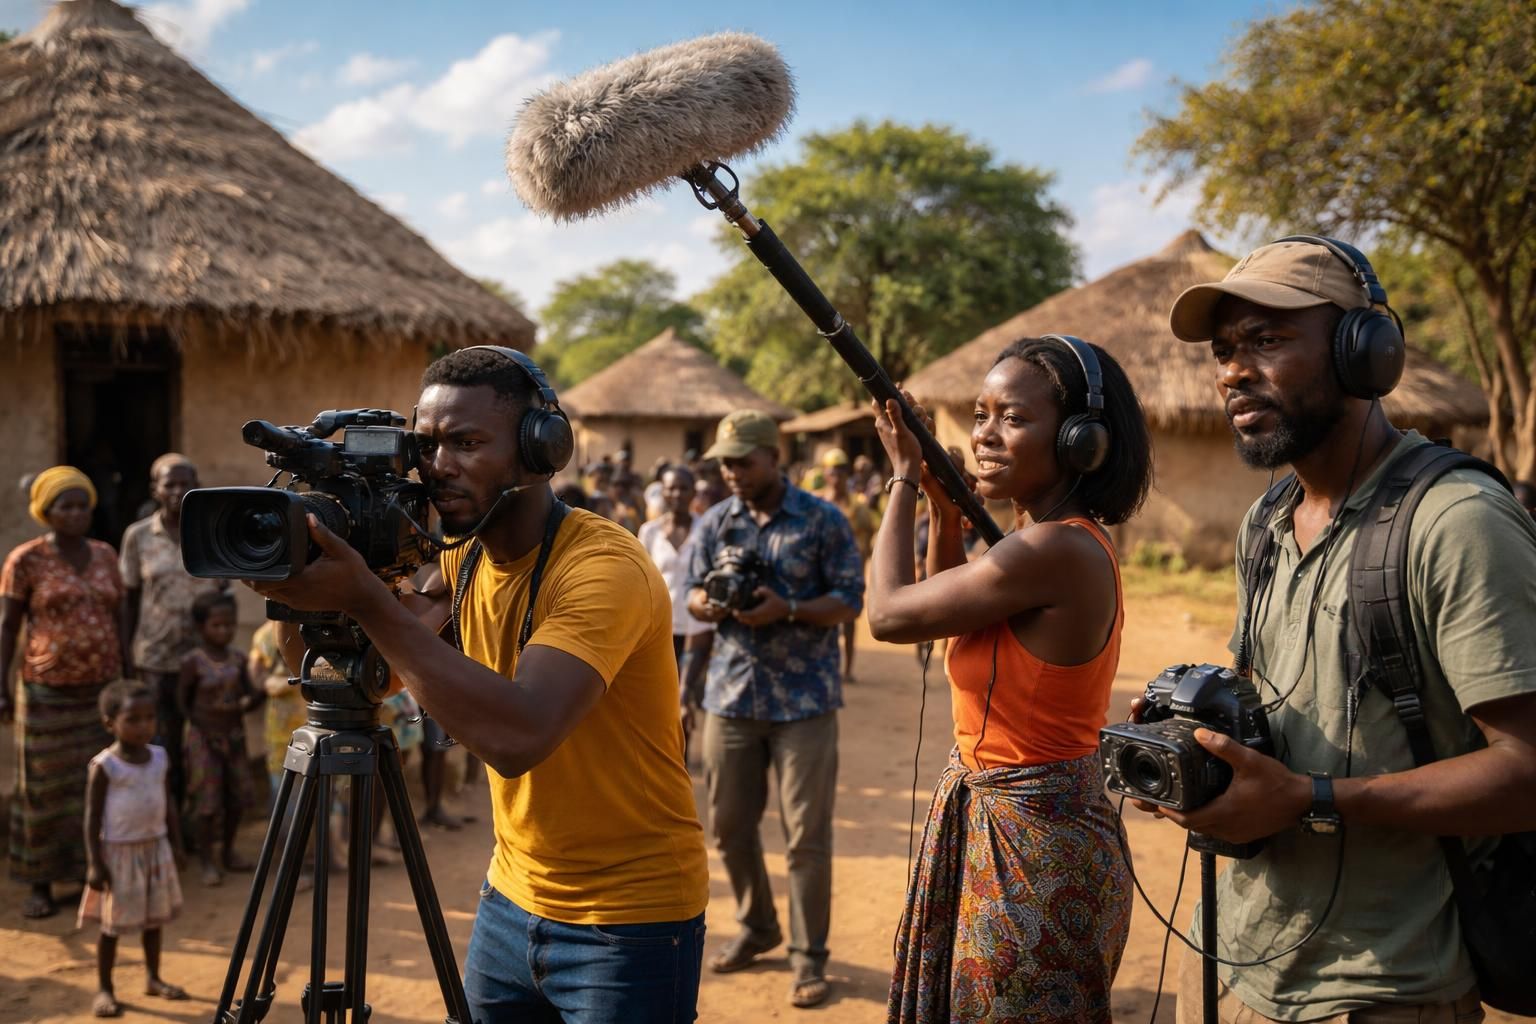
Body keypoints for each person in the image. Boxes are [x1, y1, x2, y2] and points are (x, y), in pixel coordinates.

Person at [250, 346, 709, 1023]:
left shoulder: (604, 569)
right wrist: (303, 587)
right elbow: (358, 679)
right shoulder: (459, 559)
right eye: (428, 444)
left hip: (630, 917)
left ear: (539, 448)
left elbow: (520, 734)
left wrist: (369, 603)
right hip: (509, 900)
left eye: (467, 443)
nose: (439, 466)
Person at [1145, 237, 1536, 1023]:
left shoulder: (1456, 524)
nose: (1231, 372)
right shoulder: (1267, 518)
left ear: (1366, 351)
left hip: (1380, 989)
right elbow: (1269, 704)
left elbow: (1528, 772)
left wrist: (1312, 799)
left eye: (1267, 340)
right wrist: (1197, 740)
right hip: (1230, 961)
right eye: (1224, 351)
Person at [867, 337, 1153, 1023]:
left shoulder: (1054, 550)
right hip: (1017, 830)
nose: (984, 436)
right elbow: (942, 616)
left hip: (1034, 849)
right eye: (979, 414)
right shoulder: (1039, 549)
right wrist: (943, 507)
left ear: (1081, 441)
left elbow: (887, 614)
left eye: (1013, 418)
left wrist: (904, 476)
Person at [686, 410, 864, 1010]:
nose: (732, 472)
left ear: (773, 458)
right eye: (725, 463)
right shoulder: (714, 521)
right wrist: (709, 606)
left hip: (804, 703)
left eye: (743, 461)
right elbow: (691, 589)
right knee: (730, 827)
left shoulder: (822, 520)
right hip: (731, 697)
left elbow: (848, 600)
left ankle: (809, 958)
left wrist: (786, 608)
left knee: (805, 838)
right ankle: (757, 925)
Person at [1, 466, 130, 919]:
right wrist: (1, 687)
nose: (76, 514)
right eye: (66, 506)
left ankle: (86, 874)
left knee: (92, 785)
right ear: (46, 511)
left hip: (100, 691)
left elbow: (121, 618)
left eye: (82, 505)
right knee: (43, 790)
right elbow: (8, 626)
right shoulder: (25, 560)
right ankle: (39, 882)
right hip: (44, 694)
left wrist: (126, 676)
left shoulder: (104, 555)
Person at [120, 454, 226, 811]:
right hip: (156, 658)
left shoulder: (211, 533)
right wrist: (126, 657)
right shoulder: (137, 537)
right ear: (156, 489)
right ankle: (166, 822)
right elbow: (129, 601)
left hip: (202, 662)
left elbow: (222, 597)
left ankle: (201, 829)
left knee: (202, 746)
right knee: (161, 744)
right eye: (170, 484)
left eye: (186, 483)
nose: (179, 491)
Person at [79, 679, 186, 1017]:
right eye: (133, 719)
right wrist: (95, 863)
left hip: (155, 849)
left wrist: (178, 843)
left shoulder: (159, 757)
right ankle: (105, 989)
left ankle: (153, 978)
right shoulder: (105, 766)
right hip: (119, 855)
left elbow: (168, 802)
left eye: (150, 717)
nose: (144, 726)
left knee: (154, 922)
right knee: (112, 928)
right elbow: (92, 817)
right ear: (110, 723)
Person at [178, 591, 260, 886]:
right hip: (203, 740)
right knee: (207, 803)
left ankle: (228, 851)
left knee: (237, 798)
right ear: (201, 627)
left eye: (229, 625)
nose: (224, 630)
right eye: (217, 625)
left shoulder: (238, 660)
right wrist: (202, 729)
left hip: (234, 737)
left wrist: (250, 701)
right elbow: (183, 702)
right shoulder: (192, 662)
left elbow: (251, 694)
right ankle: (206, 860)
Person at [637, 465, 714, 755]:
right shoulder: (650, 532)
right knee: (664, 698)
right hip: (660, 629)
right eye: (671, 488)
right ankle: (669, 753)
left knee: (684, 694)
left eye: (684, 488)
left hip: (698, 628)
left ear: (694, 492)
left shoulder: (706, 528)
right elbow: (640, 577)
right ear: (662, 491)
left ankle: (680, 753)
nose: (677, 494)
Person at [815, 448, 880, 683]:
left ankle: (847, 669)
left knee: (849, 619)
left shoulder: (858, 506)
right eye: (833, 471)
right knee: (820, 619)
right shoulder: (816, 502)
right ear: (825, 473)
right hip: (818, 572)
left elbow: (868, 537)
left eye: (842, 470)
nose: (837, 476)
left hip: (847, 572)